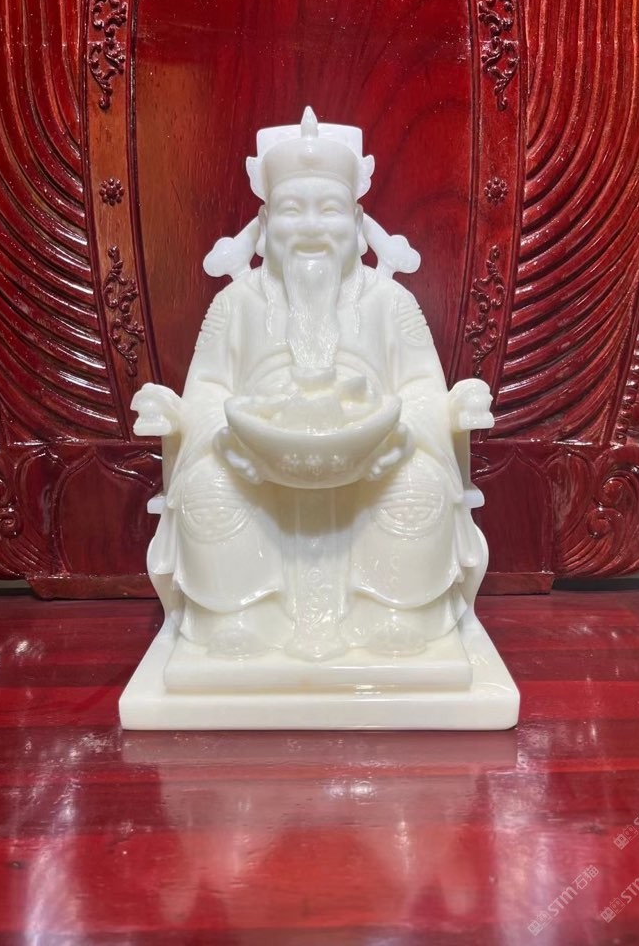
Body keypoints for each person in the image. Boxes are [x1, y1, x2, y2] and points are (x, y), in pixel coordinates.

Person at [133, 108, 493, 662]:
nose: (309, 228)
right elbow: (205, 391)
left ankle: (391, 610)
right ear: (264, 223)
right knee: (209, 483)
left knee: (417, 480)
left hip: (373, 455)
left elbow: (424, 387)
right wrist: (232, 428)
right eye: (291, 210)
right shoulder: (235, 303)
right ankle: (242, 613)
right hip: (256, 456)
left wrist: (398, 427)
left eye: (328, 210)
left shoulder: (390, 301)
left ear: (357, 220)